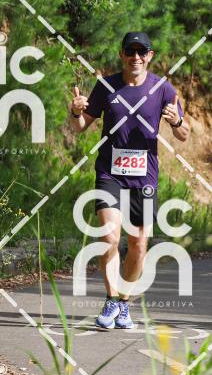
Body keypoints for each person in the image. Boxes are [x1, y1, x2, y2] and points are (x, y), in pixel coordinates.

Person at [68, 32, 190, 329]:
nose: (136, 57)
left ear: (150, 55)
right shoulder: (107, 86)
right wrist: (75, 111)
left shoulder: (163, 89)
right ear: (122, 54)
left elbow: (184, 135)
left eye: (141, 52)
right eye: (130, 51)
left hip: (144, 178)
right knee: (110, 238)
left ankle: (124, 303)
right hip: (109, 173)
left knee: (138, 243)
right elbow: (80, 127)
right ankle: (111, 299)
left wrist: (176, 121)